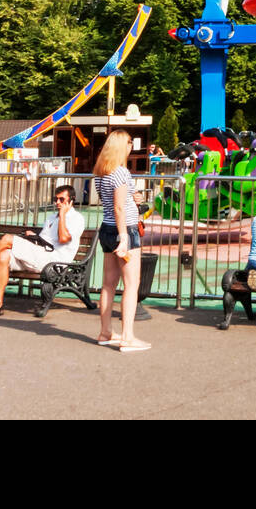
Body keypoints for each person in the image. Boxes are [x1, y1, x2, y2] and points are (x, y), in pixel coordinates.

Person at [0, 185, 86, 319]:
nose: (57, 202)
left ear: (71, 200)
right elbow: (47, 241)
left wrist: (62, 215)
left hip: (54, 262)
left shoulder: (77, 218)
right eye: (56, 199)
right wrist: (35, 236)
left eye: (62, 199)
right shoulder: (51, 218)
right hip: (41, 255)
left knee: (7, 238)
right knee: (4, 255)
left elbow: (63, 239)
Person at [94, 129, 149, 352]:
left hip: (107, 228)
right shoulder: (121, 172)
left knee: (108, 284)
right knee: (131, 284)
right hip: (124, 230)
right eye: (129, 142)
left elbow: (115, 202)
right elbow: (119, 207)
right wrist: (124, 237)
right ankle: (127, 336)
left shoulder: (100, 173)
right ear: (121, 146)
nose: (131, 146)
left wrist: (134, 197)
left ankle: (105, 331)